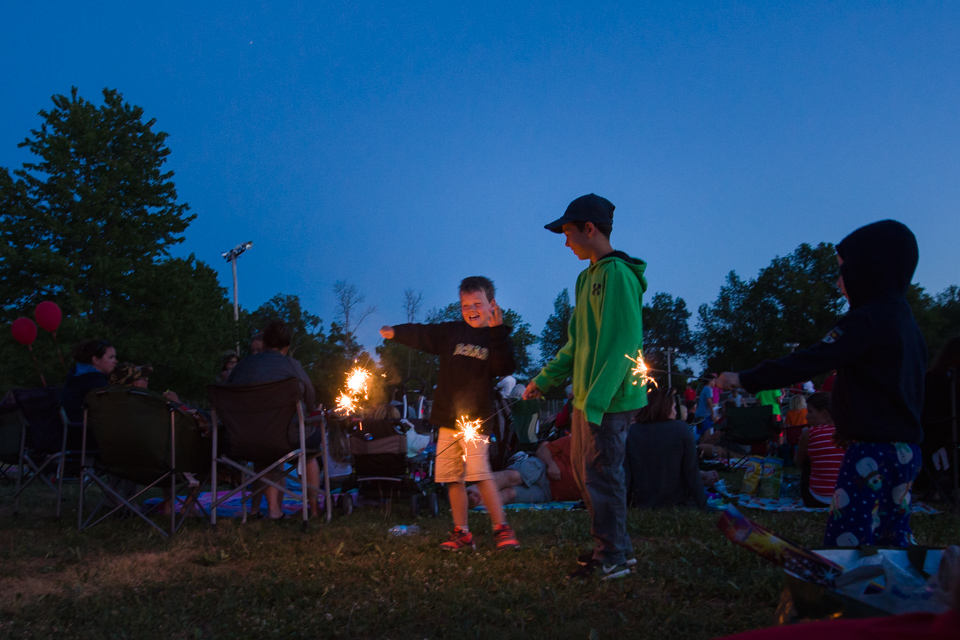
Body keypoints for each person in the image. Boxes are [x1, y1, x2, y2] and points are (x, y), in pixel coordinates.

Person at [717, 220, 926, 547]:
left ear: (868, 270)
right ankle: (896, 581)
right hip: (906, 452)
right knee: (891, 527)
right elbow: (894, 392)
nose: (839, 281)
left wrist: (744, 379)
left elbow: (811, 360)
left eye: (844, 270)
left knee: (851, 529)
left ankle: (844, 581)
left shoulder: (865, 320)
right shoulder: (908, 325)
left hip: (870, 452)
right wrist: (848, 426)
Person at [523, 193, 647, 580]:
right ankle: (612, 548)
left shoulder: (619, 275)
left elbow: (623, 342)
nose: (566, 241)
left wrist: (595, 400)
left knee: (602, 474)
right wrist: (545, 380)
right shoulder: (585, 278)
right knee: (587, 473)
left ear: (589, 229)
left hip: (608, 399)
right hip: (586, 398)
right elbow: (578, 343)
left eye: (568, 232)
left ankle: (611, 557)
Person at [380, 276, 520, 551]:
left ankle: (501, 528)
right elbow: (423, 334)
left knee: (481, 474)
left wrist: (498, 330)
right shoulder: (451, 332)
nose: (471, 309)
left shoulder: (495, 336)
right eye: (465, 304)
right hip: (448, 419)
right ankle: (462, 532)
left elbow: (504, 366)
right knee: (452, 477)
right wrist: (396, 331)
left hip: (476, 420)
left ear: (492, 305)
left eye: (477, 303)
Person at [227, 320, 322, 520]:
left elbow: (226, 394)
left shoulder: (243, 366)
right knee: (311, 451)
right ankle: (313, 508)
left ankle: (273, 510)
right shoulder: (292, 366)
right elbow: (311, 401)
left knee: (264, 449)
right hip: (287, 438)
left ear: (265, 343)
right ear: (286, 348)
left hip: (244, 439)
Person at [624, 389, 715, 509]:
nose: (675, 412)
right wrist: (704, 506)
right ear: (664, 408)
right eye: (673, 407)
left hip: (643, 502)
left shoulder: (631, 432)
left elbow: (626, 474)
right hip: (676, 502)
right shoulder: (681, 430)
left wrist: (624, 505)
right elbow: (690, 472)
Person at [467, 435, 582, 507]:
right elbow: (543, 451)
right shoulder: (575, 441)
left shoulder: (598, 472)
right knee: (514, 477)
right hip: (541, 469)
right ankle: (472, 490)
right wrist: (551, 465)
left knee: (510, 495)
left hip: (548, 493)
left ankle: (475, 501)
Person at [794, 392, 845, 508]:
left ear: (824, 414)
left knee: (807, 461)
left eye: (810, 412)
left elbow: (798, 462)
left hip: (815, 500)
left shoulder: (810, 433)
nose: (806, 416)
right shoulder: (847, 433)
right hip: (845, 499)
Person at [62, 339, 118, 423]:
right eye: (111, 357)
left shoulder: (75, 375)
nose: (116, 361)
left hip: (72, 430)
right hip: (86, 431)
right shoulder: (96, 382)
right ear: (95, 360)